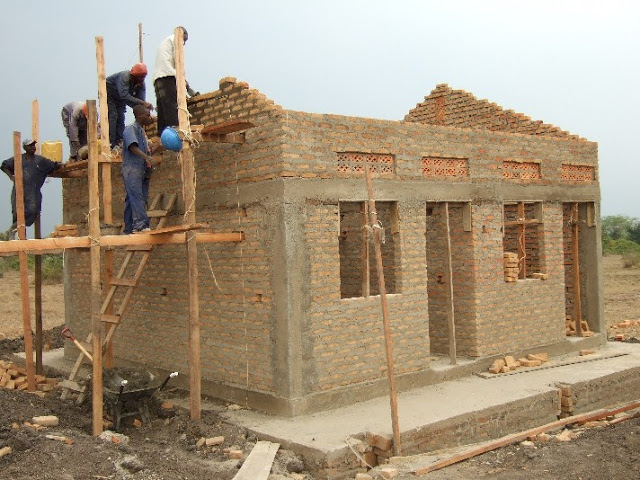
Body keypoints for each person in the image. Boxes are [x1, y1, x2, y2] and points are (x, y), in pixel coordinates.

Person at [1, 139, 60, 238]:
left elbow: (53, 165)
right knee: (17, 212)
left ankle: (13, 229)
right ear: (24, 147)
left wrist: (61, 165)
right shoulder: (19, 159)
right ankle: (16, 233)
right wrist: (11, 176)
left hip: (33, 192)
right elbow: (4, 165)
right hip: (19, 191)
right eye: (30, 146)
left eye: (34, 145)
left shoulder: (40, 160)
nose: (33, 147)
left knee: (33, 212)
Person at [153, 26, 199, 135]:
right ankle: (175, 129)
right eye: (185, 40)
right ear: (181, 35)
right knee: (171, 103)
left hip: (159, 76)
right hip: (167, 75)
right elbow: (178, 62)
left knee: (162, 106)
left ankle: (161, 132)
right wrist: (183, 81)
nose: (184, 43)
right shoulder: (176, 39)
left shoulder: (167, 41)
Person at [121, 105, 161, 234]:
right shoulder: (130, 129)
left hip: (142, 169)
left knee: (133, 197)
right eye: (147, 115)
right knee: (137, 196)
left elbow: (146, 151)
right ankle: (141, 225)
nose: (150, 118)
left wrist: (158, 146)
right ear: (139, 116)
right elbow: (132, 147)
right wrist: (147, 158)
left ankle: (128, 228)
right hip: (132, 168)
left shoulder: (142, 132)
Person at [106, 63, 154, 149]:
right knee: (113, 115)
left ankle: (120, 141)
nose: (142, 79)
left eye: (143, 77)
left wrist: (146, 112)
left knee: (121, 117)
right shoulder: (125, 77)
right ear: (134, 75)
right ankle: (111, 143)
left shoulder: (141, 84)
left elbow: (140, 102)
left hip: (120, 98)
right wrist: (143, 103)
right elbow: (124, 95)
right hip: (109, 93)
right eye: (140, 76)